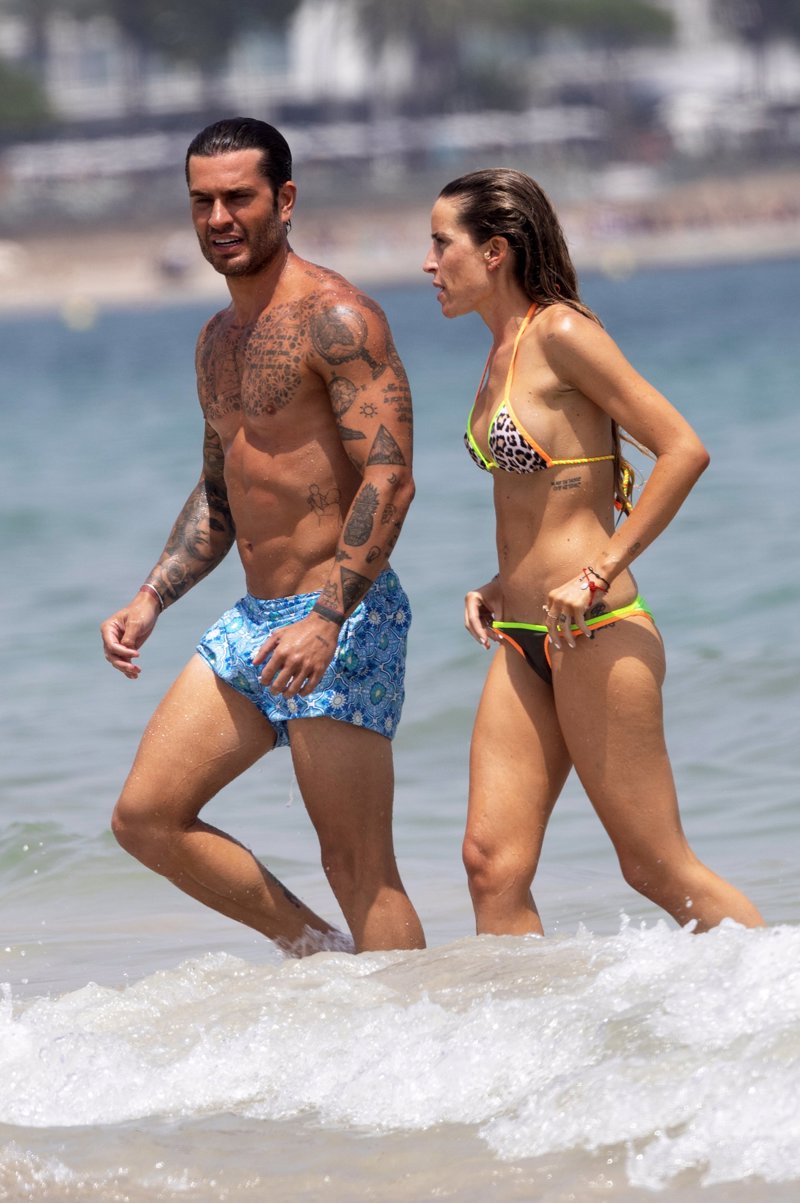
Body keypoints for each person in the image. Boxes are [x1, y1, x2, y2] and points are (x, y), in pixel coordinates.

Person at [100, 117, 425, 957]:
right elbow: (223, 491)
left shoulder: (339, 318)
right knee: (145, 817)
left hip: (340, 616)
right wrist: (152, 595)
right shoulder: (217, 341)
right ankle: (319, 955)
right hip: (255, 623)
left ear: (284, 200)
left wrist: (327, 618)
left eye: (238, 198)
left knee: (357, 863)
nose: (219, 218)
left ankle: (416, 1027)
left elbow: (390, 478)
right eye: (201, 201)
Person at [422, 168, 764, 936]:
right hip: (522, 632)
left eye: (442, 243)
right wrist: (500, 580)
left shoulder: (562, 334)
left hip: (596, 626)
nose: (428, 262)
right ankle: (531, 1015)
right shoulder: (500, 350)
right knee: (490, 863)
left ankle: (780, 988)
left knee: (655, 867)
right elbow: (550, 497)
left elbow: (683, 449)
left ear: (494, 251)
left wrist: (598, 571)